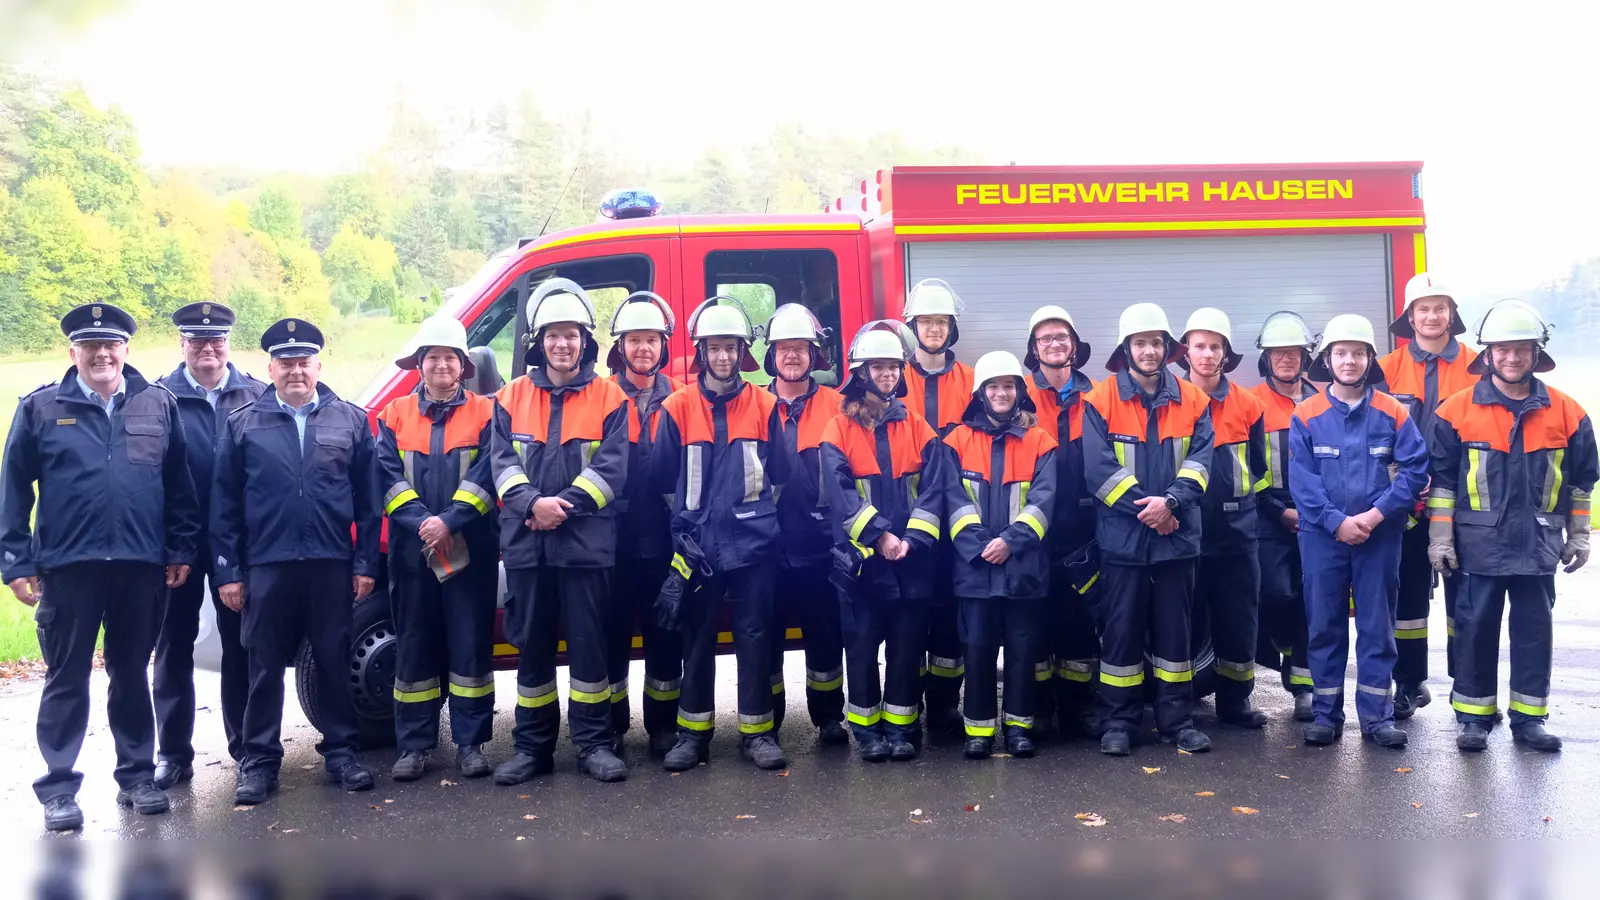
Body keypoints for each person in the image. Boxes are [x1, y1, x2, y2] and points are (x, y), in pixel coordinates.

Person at [2, 304, 200, 831]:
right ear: (74, 353)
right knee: (66, 678)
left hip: (140, 566)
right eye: (91, 346)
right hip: (69, 569)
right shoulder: (42, 407)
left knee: (131, 675)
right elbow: (14, 489)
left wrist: (180, 549)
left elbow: (179, 485)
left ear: (126, 350)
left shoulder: (158, 403)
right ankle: (59, 790)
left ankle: (136, 777)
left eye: (111, 345)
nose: (102, 355)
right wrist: (16, 560)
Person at [212, 317, 381, 804]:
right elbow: (223, 506)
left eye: (304, 362)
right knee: (263, 667)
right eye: (285, 363)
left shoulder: (349, 420)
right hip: (267, 566)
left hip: (330, 565)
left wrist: (365, 564)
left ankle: (342, 754)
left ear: (318, 366)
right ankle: (259, 762)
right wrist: (228, 572)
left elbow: (370, 503)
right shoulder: (242, 423)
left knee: (331, 661)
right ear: (271, 368)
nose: (295, 371)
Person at [1428, 299, 1596, 753]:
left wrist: (1579, 535)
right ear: (1488, 354)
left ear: (1536, 353)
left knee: (1534, 635)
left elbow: (1581, 483)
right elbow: (1441, 484)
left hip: (1538, 546)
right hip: (1476, 546)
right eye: (1502, 349)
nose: (1512, 357)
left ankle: (1529, 719)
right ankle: (1474, 718)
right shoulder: (1455, 411)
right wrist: (1440, 540)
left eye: (1522, 348)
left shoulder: (1568, 412)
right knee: (1474, 629)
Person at [489, 278, 630, 785]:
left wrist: (559, 508)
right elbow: (500, 463)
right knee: (532, 648)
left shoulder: (610, 397)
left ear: (585, 341)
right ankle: (532, 749)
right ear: (539, 341)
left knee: (589, 647)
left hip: (584, 546)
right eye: (552, 335)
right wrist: (533, 504)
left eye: (570, 334)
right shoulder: (510, 396)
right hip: (528, 546)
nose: (562, 344)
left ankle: (594, 745)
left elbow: (611, 470)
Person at [652, 296, 789, 772]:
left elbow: (780, 476)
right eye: (715, 347)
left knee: (755, 637)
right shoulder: (676, 407)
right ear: (701, 352)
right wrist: (691, 525)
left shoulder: (766, 405)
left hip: (754, 545)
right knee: (697, 639)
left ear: (743, 352)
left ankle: (758, 734)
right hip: (699, 548)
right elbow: (663, 481)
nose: (724, 356)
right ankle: (693, 736)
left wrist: (753, 517)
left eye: (731, 347)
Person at [1288, 314, 1427, 748]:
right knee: (1324, 626)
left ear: (1370, 359)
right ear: (1327, 360)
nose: (1349, 361)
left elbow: (1414, 471)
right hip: (1321, 538)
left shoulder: (1393, 412)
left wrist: (1373, 517)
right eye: (1341, 353)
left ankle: (1377, 718)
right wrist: (1338, 522)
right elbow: (1302, 481)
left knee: (1376, 627)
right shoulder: (1306, 414)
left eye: (1358, 353)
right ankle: (1326, 716)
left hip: (1378, 538)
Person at [1082, 303, 1214, 757]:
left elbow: (1201, 463)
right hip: (1125, 540)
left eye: (1156, 342)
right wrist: (1152, 510)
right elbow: (1098, 471)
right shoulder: (1100, 400)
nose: (1149, 351)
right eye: (1140, 343)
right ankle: (1119, 722)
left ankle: (1177, 721)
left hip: (1176, 537)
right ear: (1126, 349)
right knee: (1121, 632)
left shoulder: (1194, 400)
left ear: (1167, 347)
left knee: (1176, 634)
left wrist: (1171, 503)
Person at [376, 315, 499, 782]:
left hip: (471, 552)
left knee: (470, 647)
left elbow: (489, 474)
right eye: (433, 357)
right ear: (420, 364)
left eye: (450, 357)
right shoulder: (393, 414)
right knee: (414, 647)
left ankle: (471, 744)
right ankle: (414, 746)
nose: (441, 365)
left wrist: (450, 520)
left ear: (463, 365)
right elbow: (385, 477)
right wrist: (425, 524)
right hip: (412, 554)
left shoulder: (488, 413)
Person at [151, 302, 267, 787]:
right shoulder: (157, 397)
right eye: (197, 340)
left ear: (227, 343)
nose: (207, 348)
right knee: (172, 647)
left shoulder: (257, 394)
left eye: (216, 340)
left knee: (241, 646)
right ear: (182, 343)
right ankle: (173, 754)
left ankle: (246, 749)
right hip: (177, 542)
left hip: (237, 543)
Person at [819, 322, 943, 761]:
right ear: (861, 372)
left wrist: (911, 540)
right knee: (861, 648)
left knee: (906, 649)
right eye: (878, 367)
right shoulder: (837, 429)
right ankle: (868, 732)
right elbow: (840, 495)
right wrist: (881, 536)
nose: (888, 374)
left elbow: (934, 490)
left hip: (911, 560)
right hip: (863, 562)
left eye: (893, 367)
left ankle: (902, 729)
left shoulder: (918, 426)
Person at [941, 351, 1058, 760]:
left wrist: (1010, 541)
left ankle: (1019, 729)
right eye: (993, 386)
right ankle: (978, 731)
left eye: (1009, 386)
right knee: (977, 651)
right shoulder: (956, 441)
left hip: (1023, 567)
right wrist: (980, 546)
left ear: (1020, 392)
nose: (1001, 393)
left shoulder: (1041, 441)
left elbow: (1043, 502)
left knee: (1023, 653)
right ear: (980, 393)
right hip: (974, 570)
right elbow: (952, 500)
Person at [1374, 273, 1479, 718]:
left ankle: (1468, 686)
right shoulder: (1385, 368)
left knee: (1468, 599)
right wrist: (1399, 484)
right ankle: (1408, 683)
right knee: (1407, 598)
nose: (1432, 316)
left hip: (1467, 501)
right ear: (1410, 316)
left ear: (1451, 315)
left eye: (1440, 308)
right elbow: (1373, 433)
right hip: (1407, 502)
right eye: (1423, 309)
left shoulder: (1478, 366)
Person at [1178, 309, 1269, 727]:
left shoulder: (1249, 405)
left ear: (1226, 353)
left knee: (1239, 619)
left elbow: (1258, 467)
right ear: (1186, 351)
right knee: (1184, 621)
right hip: (1185, 530)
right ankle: (1180, 703)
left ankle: (1235, 702)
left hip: (1236, 533)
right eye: (1199, 345)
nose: (1207, 354)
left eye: (1215, 346)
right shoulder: (1173, 399)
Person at [604, 291, 685, 758]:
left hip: (664, 539)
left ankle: (663, 728)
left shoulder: (680, 398)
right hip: (610, 540)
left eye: (651, 340)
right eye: (634, 340)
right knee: (612, 636)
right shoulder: (601, 396)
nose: (643, 349)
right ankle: (612, 726)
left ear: (663, 346)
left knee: (664, 635)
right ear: (620, 346)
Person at [765, 304, 848, 746]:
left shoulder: (838, 405)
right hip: (767, 546)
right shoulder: (755, 403)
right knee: (766, 641)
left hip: (821, 545)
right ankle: (768, 721)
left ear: (814, 355)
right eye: (784, 348)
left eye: (800, 347)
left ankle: (829, 717)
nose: (792, 355)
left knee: (825, 636)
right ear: (771, 355)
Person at [900, 278, 975, 738]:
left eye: (941, 322)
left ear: (951, 328)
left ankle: (945, 706)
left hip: (960, 518)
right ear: (913, 326)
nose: (933, 329)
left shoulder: (971, 379)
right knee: (910, 618)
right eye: (926, 321)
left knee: (950, 619)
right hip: (908, 518)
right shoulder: (894, 376)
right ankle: (906, 705)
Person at [1021, 306, 1100, 739]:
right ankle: (1037, 708)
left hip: (1083, 528)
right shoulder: (1019, 395)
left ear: (1074, 345)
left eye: (1061, 337)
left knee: (1079, 623)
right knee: (1033, 622)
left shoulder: (1098, 396)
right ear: (1034, 349)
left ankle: (1078, 709)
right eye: (1045, 338)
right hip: (1032, 529)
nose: (1054, 344)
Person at [1246, 311, 1322, 723]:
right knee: (1276, 593)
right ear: (1267, 358)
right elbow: (1247, 467)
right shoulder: (1251, 403)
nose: (1286, 359)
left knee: (1311, 600)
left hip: (1317, 516)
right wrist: (1279, 510)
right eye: (1278, 353)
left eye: (1293, 352)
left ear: (1305, 357)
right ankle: (1273, 649)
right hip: (1269, 515)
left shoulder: (1323, 401)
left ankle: (1304, 687)